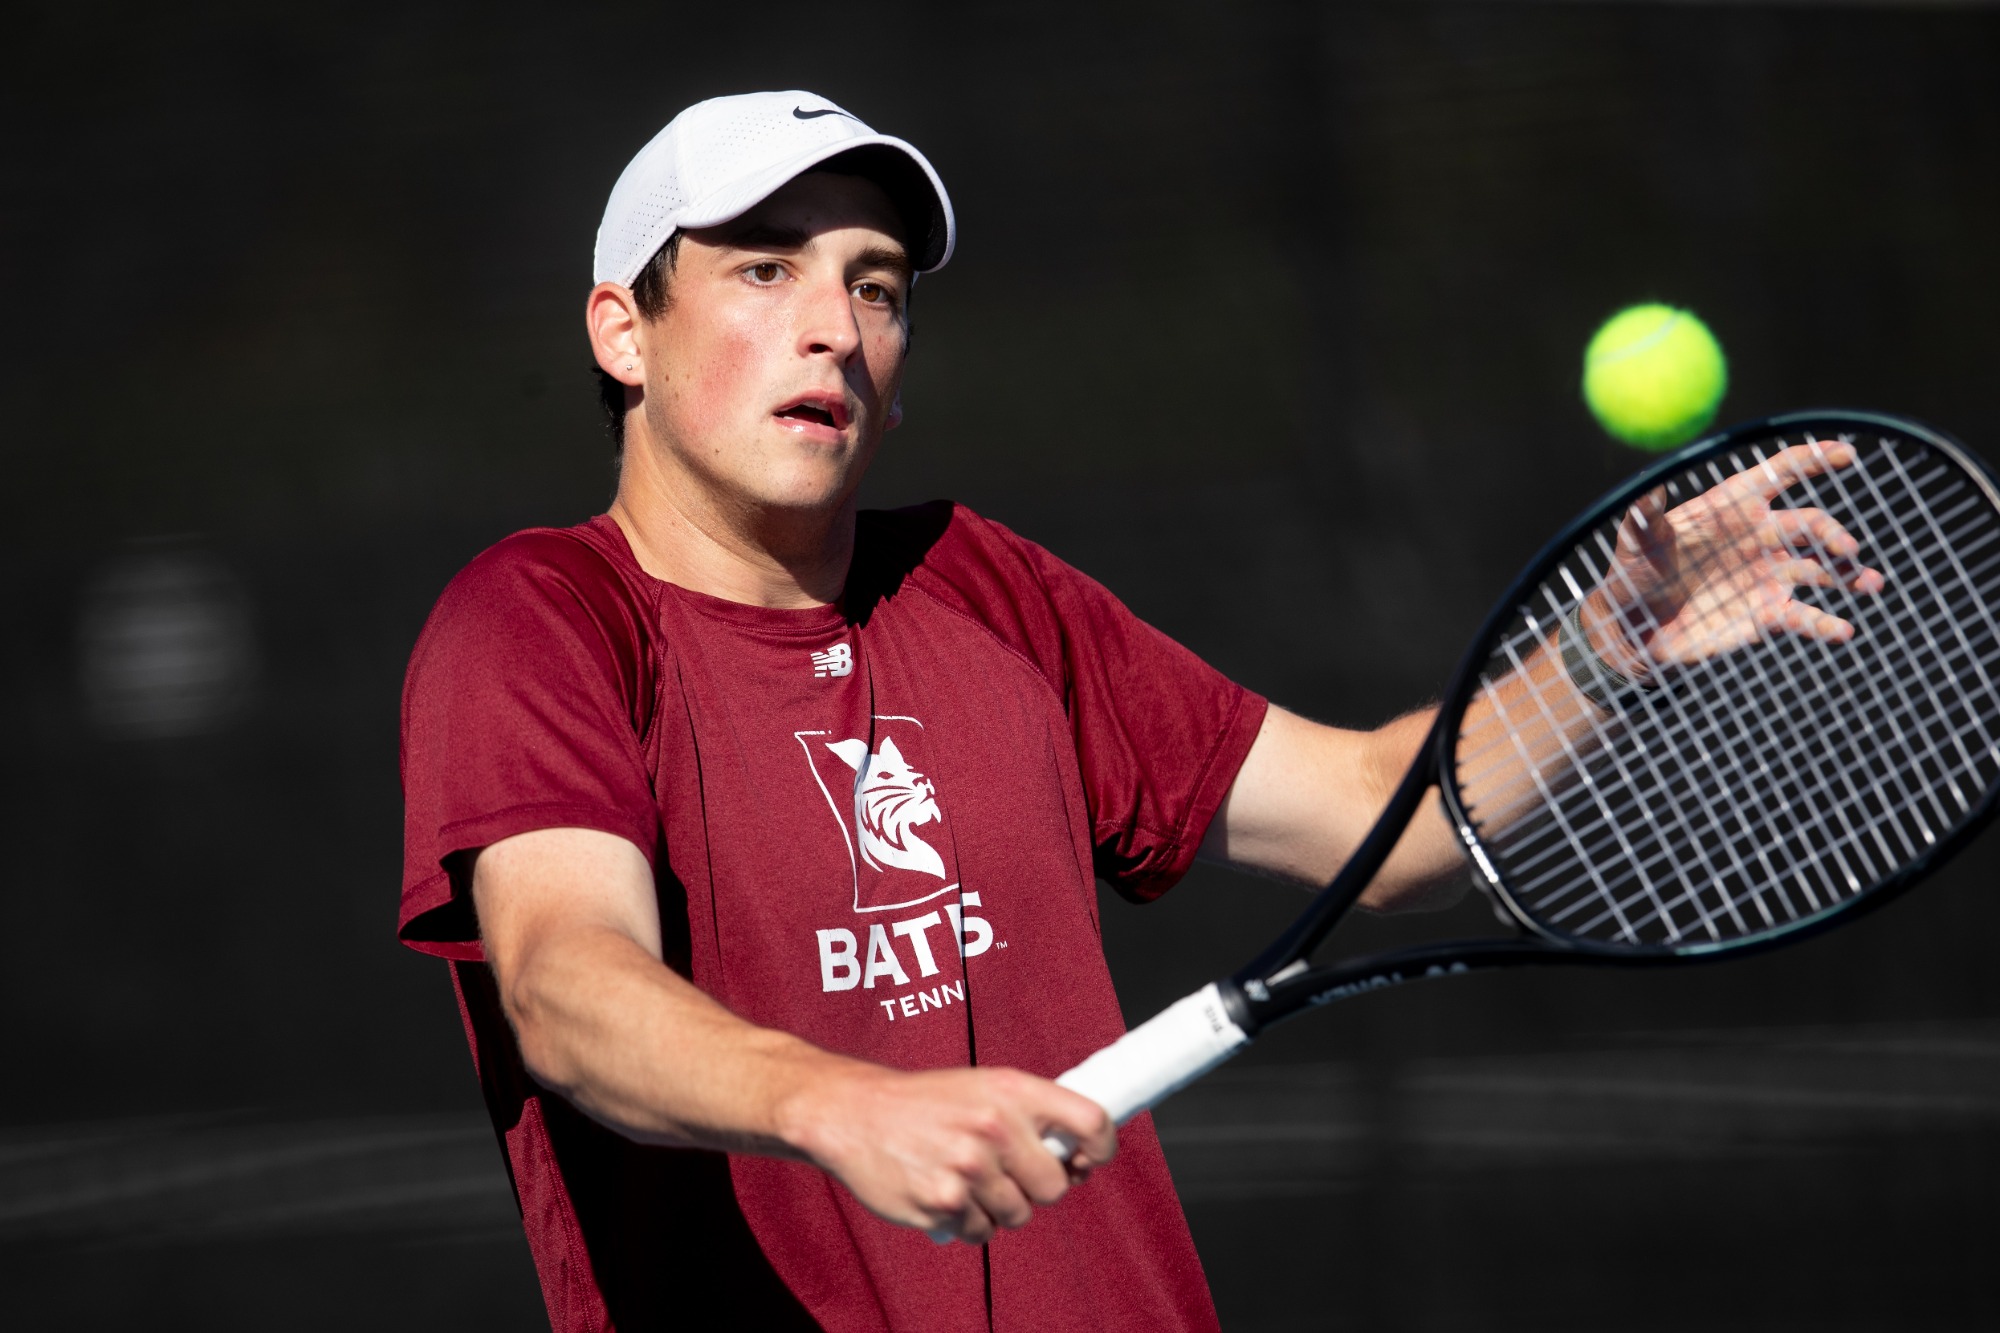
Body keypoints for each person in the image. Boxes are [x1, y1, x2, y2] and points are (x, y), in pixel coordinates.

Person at [399, 91, 1879, 1333]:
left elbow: (1380, 814)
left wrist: (1605, 648)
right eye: (765, 269)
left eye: (877, 285)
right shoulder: (538, 618)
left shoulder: (986, 584)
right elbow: (567, 990)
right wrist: (834, 1103)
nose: (835, 328)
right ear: (621, 332)